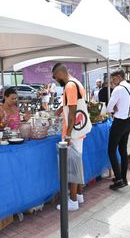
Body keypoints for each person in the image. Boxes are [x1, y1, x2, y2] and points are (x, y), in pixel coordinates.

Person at [52, 63, 86, 211]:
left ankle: (72, 201)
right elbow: (72, 105)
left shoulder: (69, 86)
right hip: (79, 130)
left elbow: (72, 112)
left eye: (55, 77)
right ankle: (79, 195)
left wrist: (68, 135)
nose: (55, 80)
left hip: (74, 132)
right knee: (77, 162)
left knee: (72, 166)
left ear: (60, 74)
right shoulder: (77, 83)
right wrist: (60, 109)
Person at [107, 69, 130, 190]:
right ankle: (123, 178)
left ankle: (118, 179)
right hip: (128, 121)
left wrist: (114, 109)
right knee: (123, 150)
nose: (112, 81)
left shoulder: (118, 89)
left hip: (119, 123)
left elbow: (108, 108)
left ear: (119, 77)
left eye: (113, 78)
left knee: (111, 151)